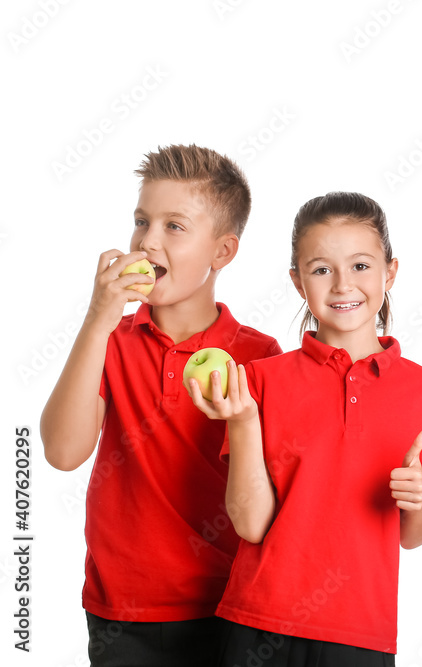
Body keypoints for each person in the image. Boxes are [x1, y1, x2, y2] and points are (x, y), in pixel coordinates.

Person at [40, 145, 281, 665]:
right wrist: (98, 320)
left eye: (174, 226)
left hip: (227, 607)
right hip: (120, 613)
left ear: (223, 251)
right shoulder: (110, 341)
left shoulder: (260, 356)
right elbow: (62, 451)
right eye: (141, 221)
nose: (146, 241)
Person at [189, 192, 422, 667]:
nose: (342, 285)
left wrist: (420, 497)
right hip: (257, 621)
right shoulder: (259, 380)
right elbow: (251, 524)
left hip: (361, 635)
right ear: (297, 282)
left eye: (360, 266)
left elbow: (414, 535)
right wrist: (245, 419)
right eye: (321, 269)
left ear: (389, 272)